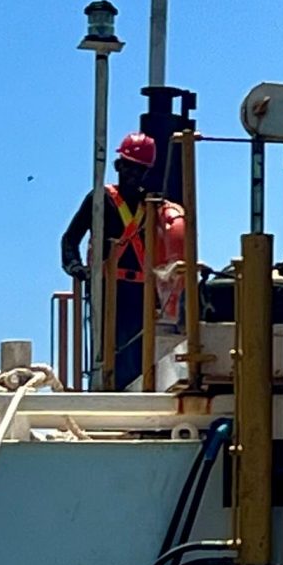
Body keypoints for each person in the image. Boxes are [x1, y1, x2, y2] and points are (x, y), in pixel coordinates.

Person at [60, 132, 189, 387]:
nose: (132, 174)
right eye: (127, 167)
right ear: (118, 166)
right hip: (107, 288)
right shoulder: (101, 199)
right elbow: (70, 239)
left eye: (139, 170)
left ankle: (137, 387)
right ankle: (109, 386)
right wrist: (77, 269)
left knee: (138, 350)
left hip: (142, 290)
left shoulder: (154, 205)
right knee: (110, 348)